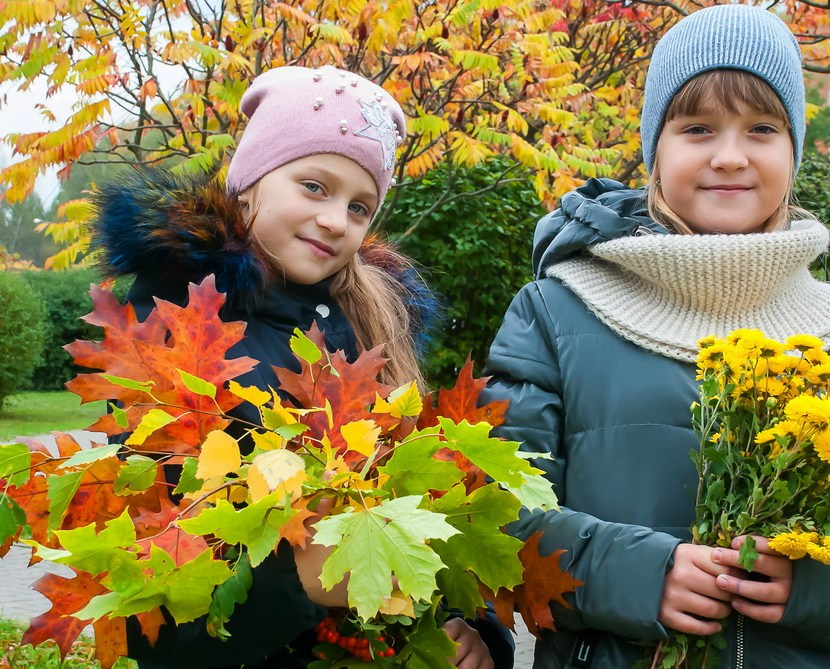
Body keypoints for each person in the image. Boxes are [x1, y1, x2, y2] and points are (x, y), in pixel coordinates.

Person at [480, 6, 830, 668]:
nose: (731, 155)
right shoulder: (557, 314)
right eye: (698, 127)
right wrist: (640, 575)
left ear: (795, 148)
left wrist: (822, 584)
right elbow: (497, 515)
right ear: (655, 144)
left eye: (763, 128)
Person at [90, 65, 513, 669]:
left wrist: (468, 625)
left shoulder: (370, 330)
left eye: (360, 206)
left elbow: (424, 513)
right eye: (314, 186)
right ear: (249, 181)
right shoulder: (168, 328)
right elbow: (153, 619)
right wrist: (299, 584)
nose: (337, 221)